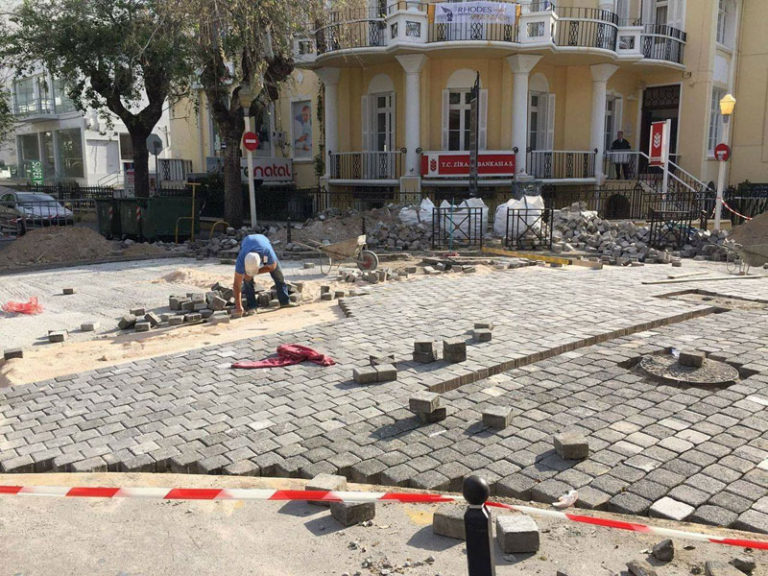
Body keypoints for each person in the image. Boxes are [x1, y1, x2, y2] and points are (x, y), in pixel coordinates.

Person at [233, 234, 290, 313]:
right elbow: (236, 285)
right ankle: (252, 306)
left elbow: (272, 267)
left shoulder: (267, 252)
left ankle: (285, 302)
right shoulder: (241, 260)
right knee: (247, 280)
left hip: (263, 242)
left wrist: (256, 272)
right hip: (247, 243)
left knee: (278, 276)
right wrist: (238, 306)